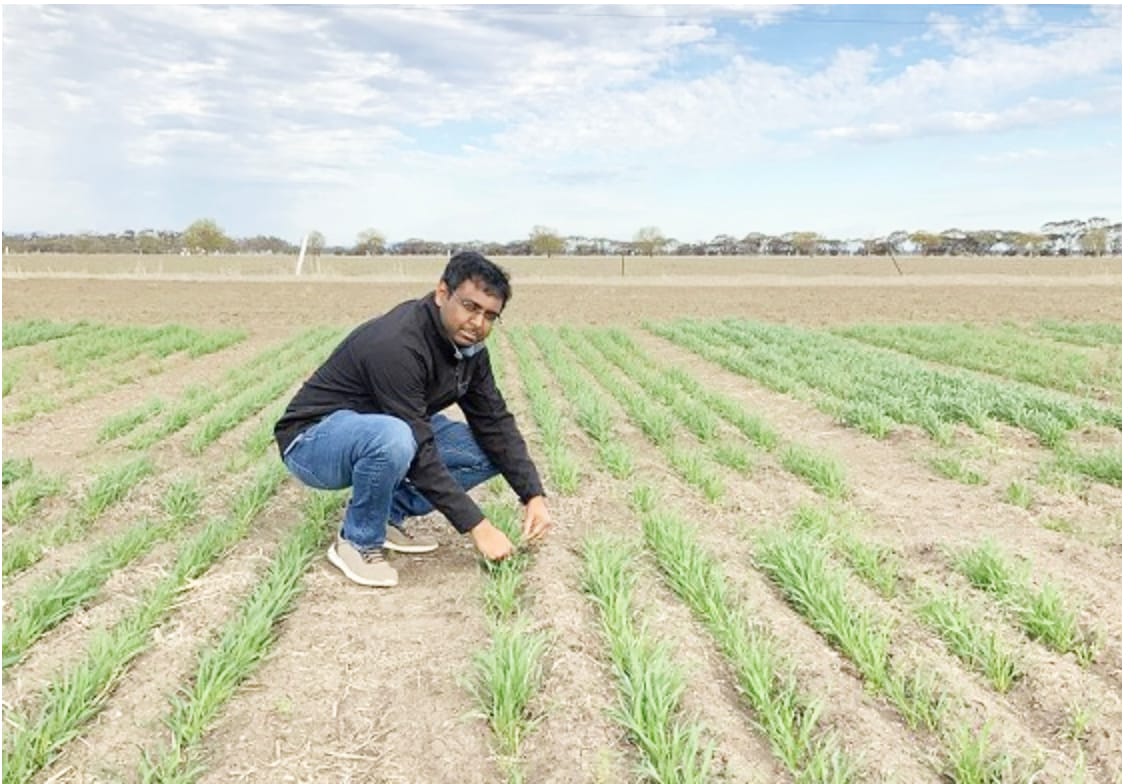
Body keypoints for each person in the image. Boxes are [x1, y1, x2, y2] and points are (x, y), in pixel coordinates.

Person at [274, 251, 552, 587]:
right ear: (441, 293)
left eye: (490, 316)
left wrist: (532, 495)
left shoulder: (470, 351)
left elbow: (494, 421)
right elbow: (419, 448)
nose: (478, 323)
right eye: (470, 307)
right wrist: (478, 526)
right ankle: (357, 540)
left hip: (387, 424)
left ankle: (386, 515)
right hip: (313, 441)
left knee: (485, 450)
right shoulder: (397, 343)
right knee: (395, 436)